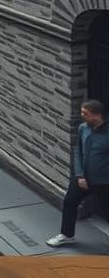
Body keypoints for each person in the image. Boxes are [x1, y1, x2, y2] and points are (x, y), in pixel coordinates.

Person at [47, 99, 109, 247]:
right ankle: (67, 235)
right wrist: (80, 175)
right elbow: (78, 151)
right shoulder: (83, 128)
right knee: (69, 202)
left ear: (97, 115)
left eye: (85, 114)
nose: (82, 116)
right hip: (82, 178)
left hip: (103, 181)